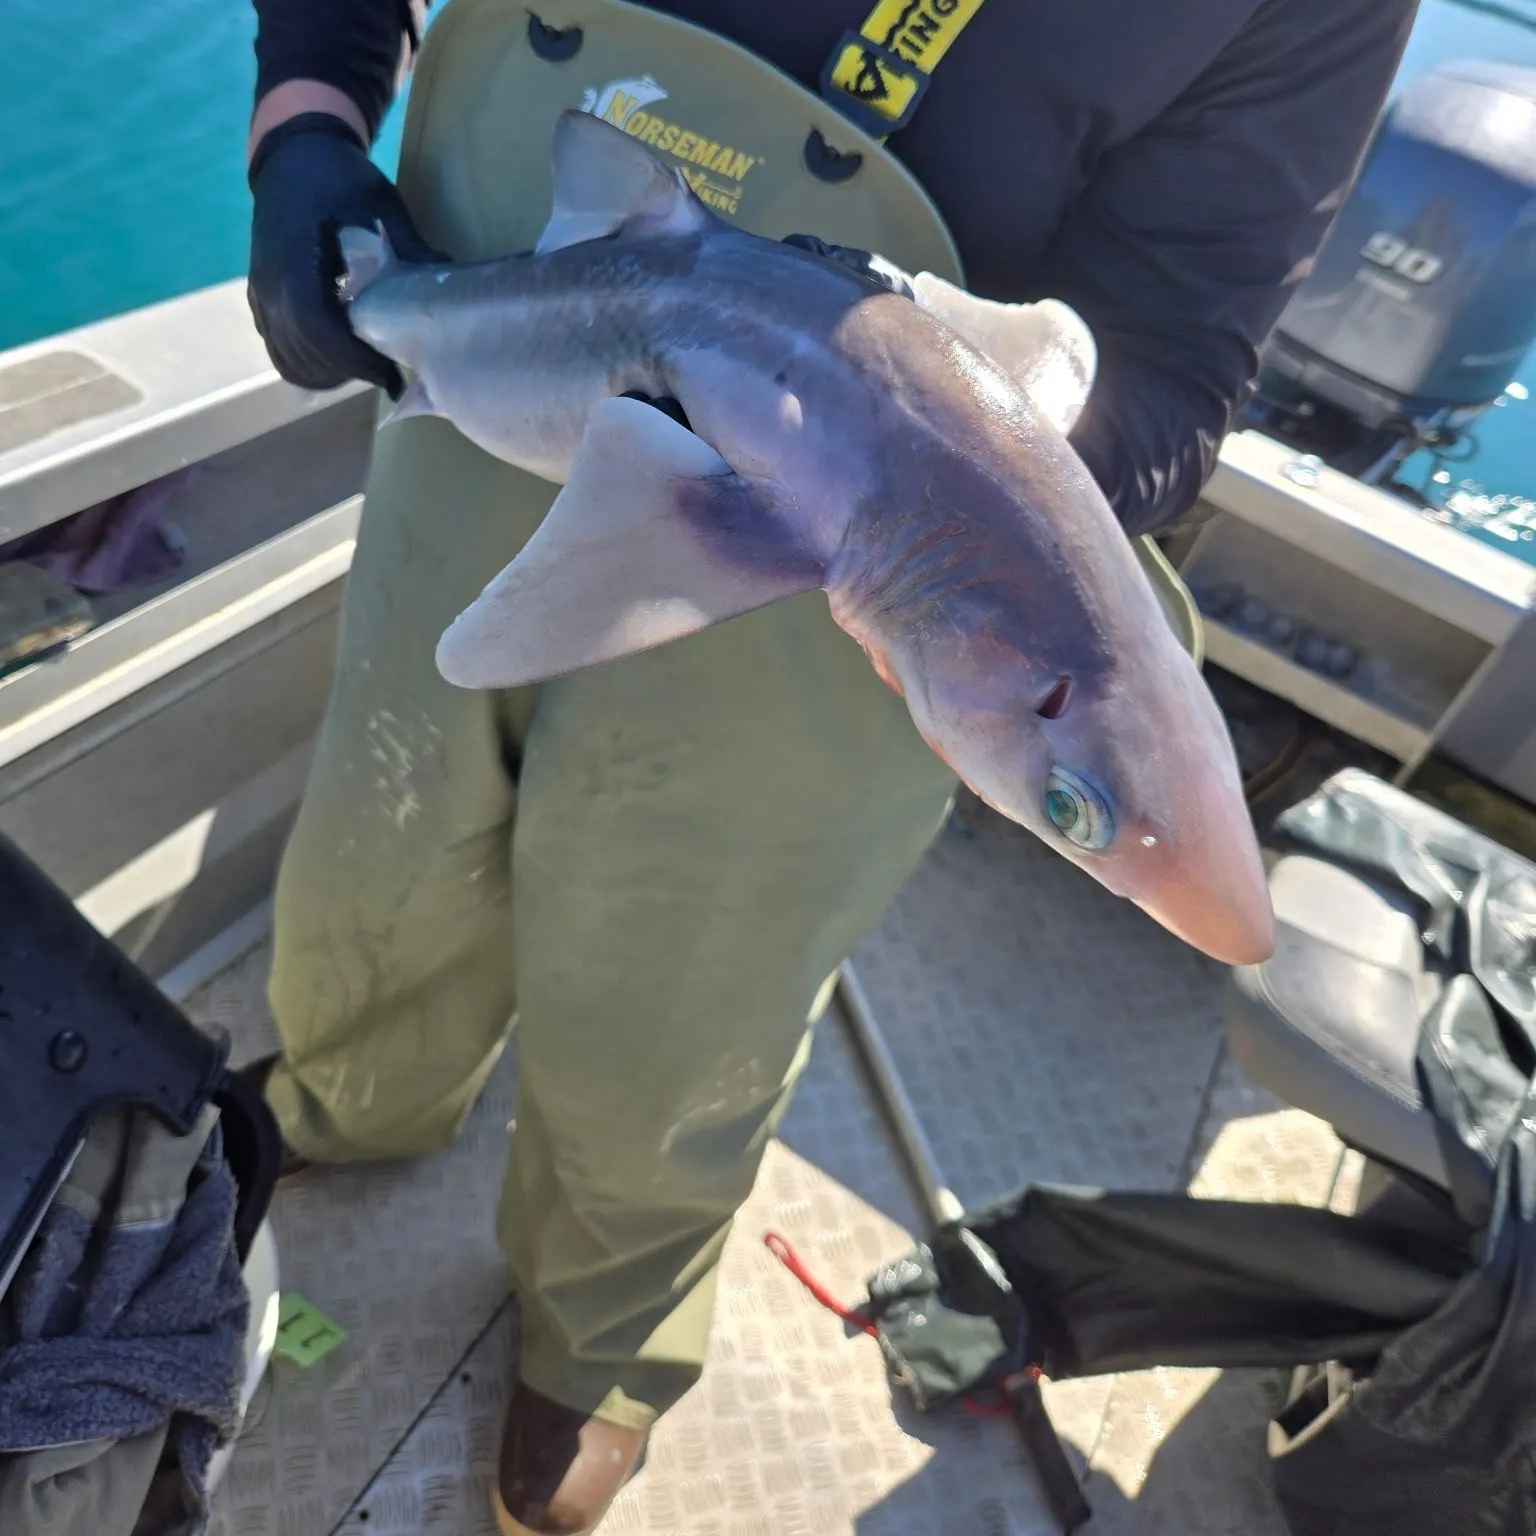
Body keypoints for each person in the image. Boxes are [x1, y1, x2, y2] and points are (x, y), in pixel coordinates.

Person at [243, 2, 1417, 1532]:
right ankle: (347, 1094)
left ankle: (599, 1338)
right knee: (386, 829)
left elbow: (1180, 349)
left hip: (845, 581)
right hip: (489, 318)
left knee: (685, 983)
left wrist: (927, 514)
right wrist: (309, 119)